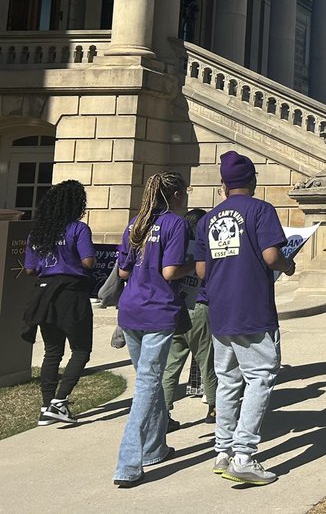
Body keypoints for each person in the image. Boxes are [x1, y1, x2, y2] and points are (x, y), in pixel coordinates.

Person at [195, 151, 295, 486]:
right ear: (253, 181)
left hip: (219, 308)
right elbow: (271, 256)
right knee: (261, 378)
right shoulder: (261, 210)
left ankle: (222, 449)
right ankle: (244, 454)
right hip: (253, 308)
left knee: (228, 380)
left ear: (223, 185)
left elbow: (200, 269)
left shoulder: (207, 219)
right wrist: (287, 264)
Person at [113, 172, 192, 488]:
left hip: (130, 310)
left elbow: (122, 270)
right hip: (158, 311)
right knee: (147, 384)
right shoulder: (176, 224)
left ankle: (156, 447)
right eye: (185, 193)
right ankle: (128, 463)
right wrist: (198, 267)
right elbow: (171, 271)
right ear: (175, 195)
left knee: (150, 380)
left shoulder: (136, 223)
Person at [21, 179, 94, 427]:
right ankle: (60, 402)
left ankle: (46, 406)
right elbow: (88, 262)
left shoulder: (38, 233)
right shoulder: (78, 229)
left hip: (44, 294)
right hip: (71, 293)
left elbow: (29, 269)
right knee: (81, 349)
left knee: (52, 351)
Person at [161, 206, 217, 427]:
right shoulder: (203, 249)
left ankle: (164, 412)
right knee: (207, 361)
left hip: (175, 307)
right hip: (199, 307)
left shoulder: (175, 248)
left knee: (171, 364)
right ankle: (214, 408)